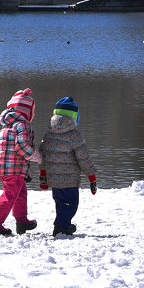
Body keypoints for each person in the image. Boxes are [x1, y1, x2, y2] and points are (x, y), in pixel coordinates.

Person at [38, 96, 98, 236]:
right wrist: (92, 176)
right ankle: (61, 226)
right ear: (74, 117)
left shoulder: (48, 135)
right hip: (70, 180)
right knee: (71, 204)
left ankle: (64, 224)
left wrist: (43, 177)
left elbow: (42, 157)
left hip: (54, 179)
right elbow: (84, 158)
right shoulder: (75, 136)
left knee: (60, 203)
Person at [0, 87, 42, 235]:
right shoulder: (22, 124)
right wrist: (37, 157)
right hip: (14, 169)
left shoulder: (7, 125)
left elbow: (11, 152)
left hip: (7, 168)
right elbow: (22, 148)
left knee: (20, 192)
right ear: (27, 111)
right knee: (10, 195)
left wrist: (26, 171)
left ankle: (21, 221)